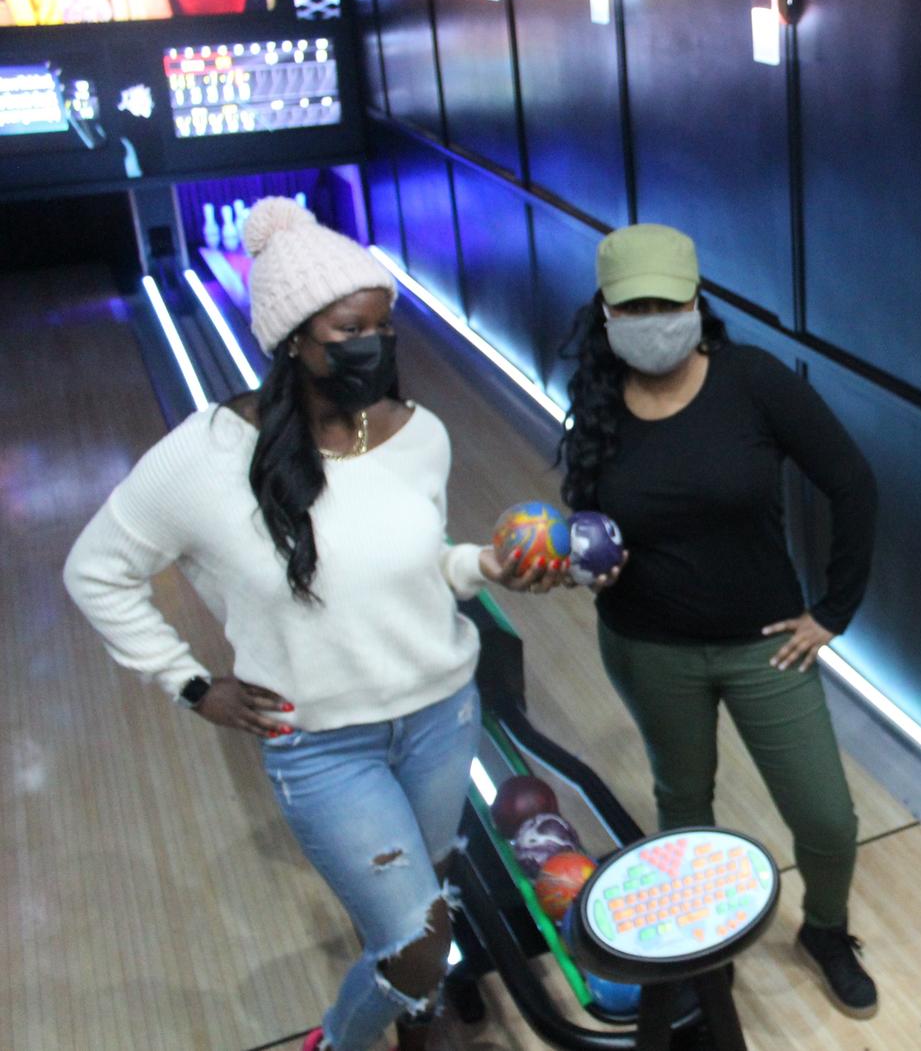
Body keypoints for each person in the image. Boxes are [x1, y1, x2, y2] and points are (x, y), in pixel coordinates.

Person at [63, 197, 564, 1051]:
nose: (375, 345)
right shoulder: (210, 452)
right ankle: (337, 1040)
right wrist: (191, 683)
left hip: (443, 716)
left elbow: (421, 559)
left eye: (384, 325)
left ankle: (420, 1008)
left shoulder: (419, 434)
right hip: (323, 746)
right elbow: (95, 569)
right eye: (350, 328)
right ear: (295, 337)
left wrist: (483, 565)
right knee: (412, 943)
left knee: (427, 902)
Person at [558, 223, 879, 1019]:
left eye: (668, 301)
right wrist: (587, 559)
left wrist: (834, 611)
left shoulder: (754, 381)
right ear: (606, 311)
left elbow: (854, 484)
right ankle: (701, 953)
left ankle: (827, 929)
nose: (653, 316)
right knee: (683, 803)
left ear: (698, 299)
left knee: (826, 816)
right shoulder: (598, 398)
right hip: (647, 644)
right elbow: (591, 524)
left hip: (763, 645)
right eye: (634, 305)